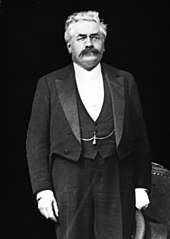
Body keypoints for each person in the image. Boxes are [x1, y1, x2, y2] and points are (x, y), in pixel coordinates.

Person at [26, 10, 152, 239]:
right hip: (69, 182)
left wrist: (141, 186)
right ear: (69, 45)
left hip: (117, 179)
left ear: (103, 44)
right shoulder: (48, 84)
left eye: (95, 37)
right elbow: (36, 143)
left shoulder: (125, 81)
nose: (89, 44)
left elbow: (140, 138)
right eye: (81, 38)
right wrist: (42, 190)